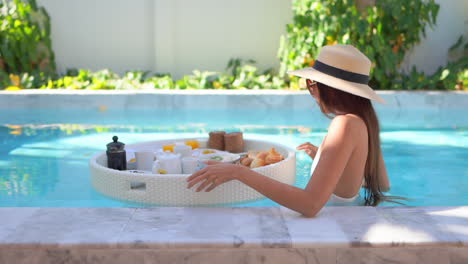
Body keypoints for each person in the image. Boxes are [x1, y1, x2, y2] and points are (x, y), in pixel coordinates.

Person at [187, 44, 390, 217]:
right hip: (348, 220)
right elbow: (382, 183)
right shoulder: (365, 121)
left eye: (311, 83)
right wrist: (327, 161)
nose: (311, 91)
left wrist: (238, 172)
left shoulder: (344, 124)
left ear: (330, 89)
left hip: (334, 228)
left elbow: (310, 205)